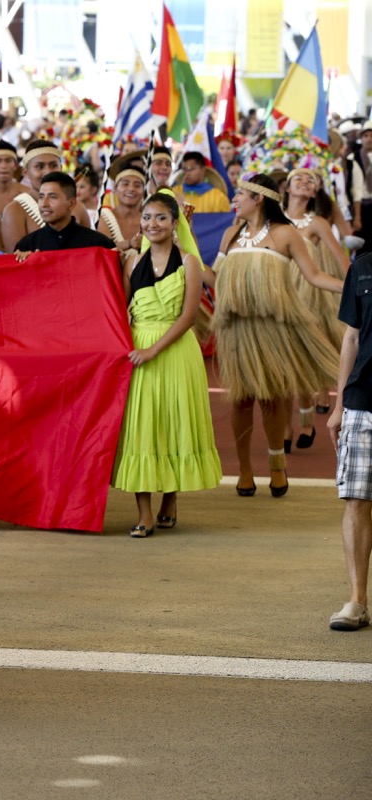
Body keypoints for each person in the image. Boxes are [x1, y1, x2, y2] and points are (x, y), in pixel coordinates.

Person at [207, 173, 343, 496]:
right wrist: (181, 244)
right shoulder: (231, 234)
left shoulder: (286, 235)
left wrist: (354, 288)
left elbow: (314, 275)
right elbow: (214, 279)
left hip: (272, 330)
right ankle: (244, 470)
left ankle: (276, 464)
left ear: (259, 199)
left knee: (271, 400)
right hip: (237, 332)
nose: (234, 199)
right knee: (240, 401)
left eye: (240, 193)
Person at [112, 193, 221, 536]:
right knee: (141, 429)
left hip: (175, 352)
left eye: (160, 218)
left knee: (174, 423)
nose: (152, 224)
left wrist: (153, 350)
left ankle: (170, 499)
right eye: (147, 217)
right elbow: (118, 309)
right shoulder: (132, 263)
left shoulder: (189, 262)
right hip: (138, 349)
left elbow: (189, 317)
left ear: (176, 224)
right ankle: (143, 513)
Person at [283, 167, 351, 448]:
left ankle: (307, 421)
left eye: (310, 180)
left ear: (314, 192)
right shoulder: (273, 220)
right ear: (286, 188)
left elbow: (342, 259)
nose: (304, 181)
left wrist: (355, 288)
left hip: (307, 298)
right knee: (283, 366)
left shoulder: (318, 223)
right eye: (298, 177)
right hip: (278, 296)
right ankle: (285, 429)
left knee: (300, 361)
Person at [328, 249, 372, 630]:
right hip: (363, 400)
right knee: (357, 499)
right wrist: (339, 405)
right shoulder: (362, 267)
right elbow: (351, 338)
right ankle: (357, 600)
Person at [1, 140, 93, 252]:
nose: (48, 172)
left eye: (53, 165)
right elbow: (17, 261)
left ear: (61, 168)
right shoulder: (14, 211)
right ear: (25, 172)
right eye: (39, 167)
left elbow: (90, 252)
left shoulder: (77, 207)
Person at [14, 172, 116, 256]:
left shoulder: (98, 245)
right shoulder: (27, 246)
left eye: (52, 197)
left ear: (72, 204)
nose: (44, 204)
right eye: (41, 197)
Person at [98, 153, 145, 252]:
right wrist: (129, 244)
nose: (131, 189)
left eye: (137, 185)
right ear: (115, 188)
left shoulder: (148, 220)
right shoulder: (104, 217)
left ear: (144, 191)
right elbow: (102, 249)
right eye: (125, 184)